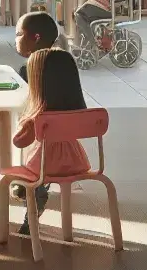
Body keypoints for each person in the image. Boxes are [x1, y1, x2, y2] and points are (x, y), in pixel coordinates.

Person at [10, 47, 91, 236]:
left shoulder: (39, 117)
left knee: (31, 173)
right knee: (38, 174)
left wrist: (23, 124)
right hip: (76, 163)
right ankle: (31, 192)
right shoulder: (81, 114)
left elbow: (19, 142)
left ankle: (30, 214)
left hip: (43, 166)